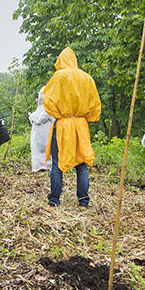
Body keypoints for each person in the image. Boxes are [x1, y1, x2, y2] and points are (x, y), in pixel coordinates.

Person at [43, 47, 101, 207]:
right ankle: (83, 200)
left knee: (57, 163)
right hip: (81, 125)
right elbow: (95, 103)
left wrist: (58, 112)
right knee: (81, 164)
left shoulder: (59, 76)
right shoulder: (87, 77)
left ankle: (54, 200)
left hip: (63, 124)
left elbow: (47, 99)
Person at [29, 89, 54, 172]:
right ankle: (40, 165)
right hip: (38, 133)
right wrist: (33, 117)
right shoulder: (40, 108)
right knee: (38, 149)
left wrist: (32, 117)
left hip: (45, 132)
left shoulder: (47, 108)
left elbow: (40, 119)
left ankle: (47, 165)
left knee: (46, 148)